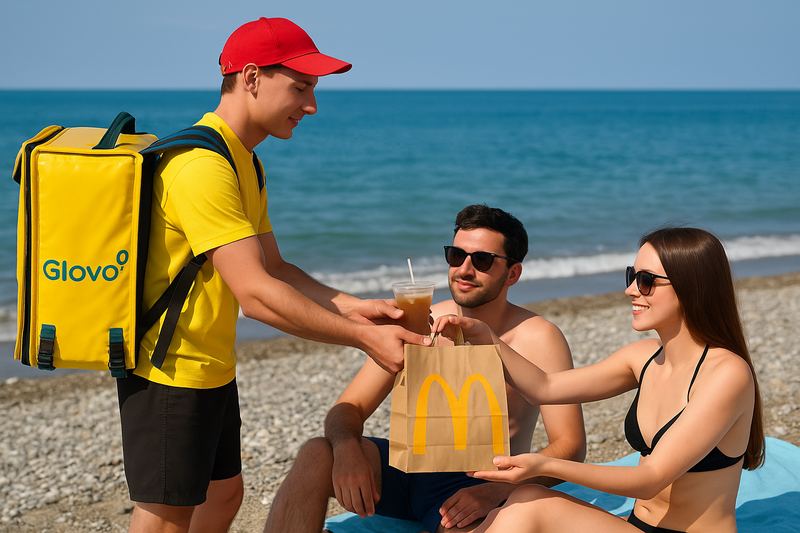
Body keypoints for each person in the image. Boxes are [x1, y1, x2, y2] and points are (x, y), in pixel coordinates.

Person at [116, 17, 431, 533]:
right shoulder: (201, 166)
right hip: (168, 369)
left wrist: (356, 306)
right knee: (167, 515)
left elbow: (276, 269)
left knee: (223, 495)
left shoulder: (242, 159)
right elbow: (256, 295)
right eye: (301, 87)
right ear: (252, 77)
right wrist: (363, 338)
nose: (312, 105)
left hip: (211, 364)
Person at [264, 204, 587, 533]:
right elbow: (349, 407)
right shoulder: (424, 321)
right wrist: (347, 449)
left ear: (513, 273)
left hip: (478, 483)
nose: (464, 269)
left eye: (482, 260)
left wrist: (498, 490)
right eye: (456, 256)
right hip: (406, 470)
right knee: (317, 453)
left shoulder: (537, 338)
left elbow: (570, 445)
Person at [432, 226, 765, 533]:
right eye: (632, 276)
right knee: (525, 498)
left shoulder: (727, 374)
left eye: (646, 281)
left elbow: (650, 478)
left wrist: (545, 465)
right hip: (636, 526)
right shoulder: (644, 357)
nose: (630, 290)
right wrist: (488, 338)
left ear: (691, 287)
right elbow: (544, 387)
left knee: (530, 506)